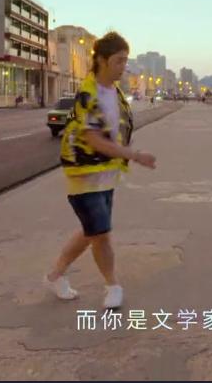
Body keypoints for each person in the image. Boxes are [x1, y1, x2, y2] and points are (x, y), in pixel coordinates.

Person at [47, 31, 157, 309]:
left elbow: (116, 132)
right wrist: (135, 156)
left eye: (125, 61)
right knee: (101, 234)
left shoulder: (116, 93)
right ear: (102, 60)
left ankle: (55, 275)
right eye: (119, 61)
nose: (123, 67)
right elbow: (94, 139)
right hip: (83, 175)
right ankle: (112, 285)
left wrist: (125, 154)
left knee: (92, 231)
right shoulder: (88, 94)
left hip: (106, 174)